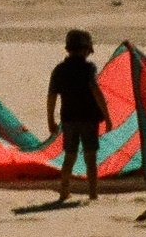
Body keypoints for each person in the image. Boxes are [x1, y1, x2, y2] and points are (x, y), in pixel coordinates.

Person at [45, 29, 111, 204]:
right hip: (89, 118)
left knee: (69, 157)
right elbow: (96, 91)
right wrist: (107, 116)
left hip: (68, 119)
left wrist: (50, 120)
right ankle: (93, 193)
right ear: (85, 50)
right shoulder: (89, 68)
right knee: (90, 157)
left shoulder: (59, 70)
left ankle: (64, 192)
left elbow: (51, 96)